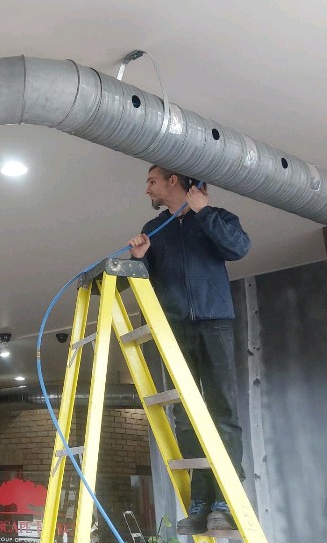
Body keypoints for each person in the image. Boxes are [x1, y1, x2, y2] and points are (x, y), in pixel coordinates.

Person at [126, 165, 250, 536]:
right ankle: (200, 500)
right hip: (175, 327)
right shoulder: (153, 231)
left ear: (172, 181)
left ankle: (224, 500)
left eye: (151, 181)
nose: (147, 189)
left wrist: (205, 212)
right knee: (185, 416)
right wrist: (140, 259)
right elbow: (145, 281)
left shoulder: (215, 218)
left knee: (221, 409)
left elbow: (239, 248)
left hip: (215, 323)